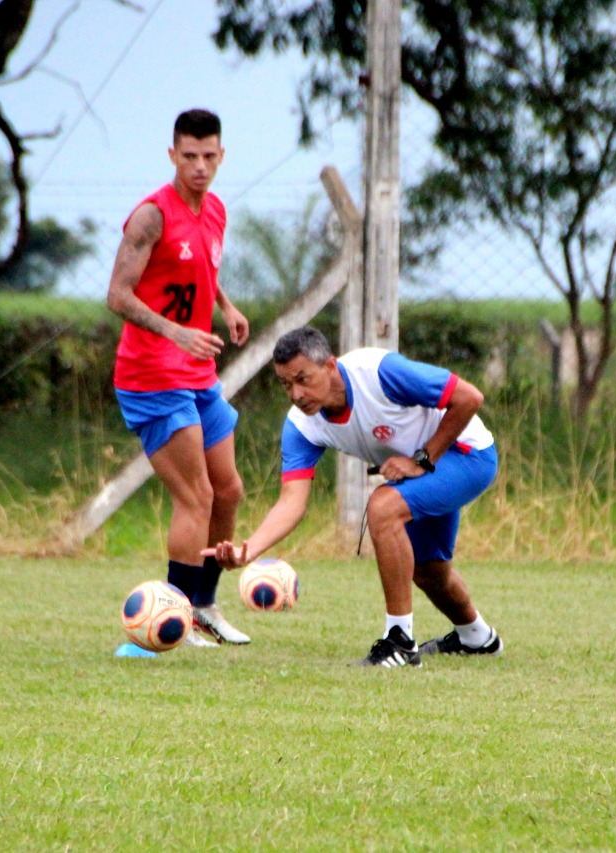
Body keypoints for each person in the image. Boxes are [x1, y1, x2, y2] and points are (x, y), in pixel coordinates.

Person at [205, 327, 500, 667]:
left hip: (468, 455)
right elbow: (291, 502)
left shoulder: (379, 373)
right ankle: (477, 637)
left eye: (303, 379)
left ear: (330, 365)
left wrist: (422, 459)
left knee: (383, 507)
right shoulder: (302, 425)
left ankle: (400, 642)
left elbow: (469, 397)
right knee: (427, 570)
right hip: (430, 469)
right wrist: (248, 550)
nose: (296, 394)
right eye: (286, 384)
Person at [106, 108, 251, 646]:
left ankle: (204, 606)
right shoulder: (151, 216)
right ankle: (175, 613)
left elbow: (201, 268)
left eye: (209, 156)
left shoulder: (215, 209)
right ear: (172, 154)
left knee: (228, 490)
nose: (199, 166)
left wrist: (225, 307)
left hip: (197, 372)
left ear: (221, 155)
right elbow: (117, 295)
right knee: (196, 496)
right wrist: (176, 332)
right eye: (189, 156)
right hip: (151, 375)